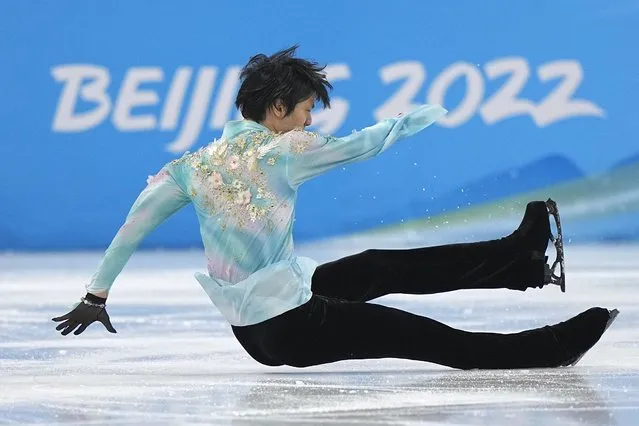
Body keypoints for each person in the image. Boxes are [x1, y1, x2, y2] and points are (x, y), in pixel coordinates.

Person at [53, 45, 618, 370]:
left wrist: (94, 295)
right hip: (292, 325)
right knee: (428, 337)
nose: (309, 122)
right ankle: (550, 350)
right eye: (304, 110)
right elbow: (363, 144)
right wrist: (415, 118)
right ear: (277, 109)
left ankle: (520, 259)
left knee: (378, 265)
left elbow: (132, 228)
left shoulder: (193, 165)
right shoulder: (284, 152)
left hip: (262, 324)